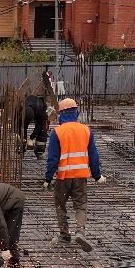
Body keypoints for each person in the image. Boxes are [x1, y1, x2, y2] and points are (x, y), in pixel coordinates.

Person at [43, 96, 103, 251]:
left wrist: (48, 179)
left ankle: (64, 235)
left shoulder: (58, 132)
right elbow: (93, 156)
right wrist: (97, 176)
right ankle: (80, 232)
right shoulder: (86, 130)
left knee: (60, 205)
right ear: (76, 112)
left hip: (63, 178)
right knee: (81, 206)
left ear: (61, 114)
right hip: (81, 177)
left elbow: (53, 159)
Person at [22, 89, 49, 158]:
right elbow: (23, 127)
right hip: (28, 109)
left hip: (39, 111)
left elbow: (39, 126)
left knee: (42, 130)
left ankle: (39, 151)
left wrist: (31, 138)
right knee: (21, 131)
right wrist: (24, 139)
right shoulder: (21, 108)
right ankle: (21, 149)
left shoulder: (40, 111)